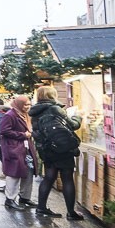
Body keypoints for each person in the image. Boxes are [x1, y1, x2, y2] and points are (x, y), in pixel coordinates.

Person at [30, 85, 84, 220]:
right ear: (52, 95)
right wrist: (78, 116)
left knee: (49, 177)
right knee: (67, 178)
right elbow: (73, 125)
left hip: (46, 149)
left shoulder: (35, 112)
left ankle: (41, 208)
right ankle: (71, 213)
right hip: (61, 148)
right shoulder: (55, 109)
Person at [0, 95, 37, 211]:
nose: (28, 107)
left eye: (29, 104)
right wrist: (22, 135)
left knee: (29, 171)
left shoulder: (25, 115)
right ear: (19, 104)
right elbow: (4, 131)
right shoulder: (10, 115)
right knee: (13, 173)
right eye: (25, 105)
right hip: (14, 148)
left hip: (25, 147)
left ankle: (25, 197)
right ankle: (10, 199)